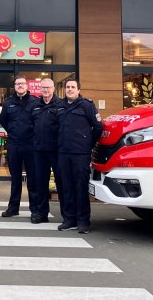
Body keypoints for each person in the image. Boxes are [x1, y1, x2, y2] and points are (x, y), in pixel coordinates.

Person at [57, 79, 102, 234]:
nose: (70, 89)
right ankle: (69, 219)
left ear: (78, 90)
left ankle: (83, 221)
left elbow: (98, 127)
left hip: (80, 154)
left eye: (73, 87)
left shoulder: (86, 105)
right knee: (67, 187)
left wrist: (88, 144)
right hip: (63, 153)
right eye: (67, 87)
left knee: (80, 187)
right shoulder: (60, 106)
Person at [0, 75, 38, 218]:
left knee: (32, 179)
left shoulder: (35, 102)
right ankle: (13, 208)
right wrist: (13, 131)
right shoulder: (8, 103)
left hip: (30, 145)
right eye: (17, 84)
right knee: (15, 179)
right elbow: (3, 120)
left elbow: (38, 121)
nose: (20, 86)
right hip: (14, 144)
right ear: (14, 86)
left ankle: (35, 210)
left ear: (27, 85)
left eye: (22, 83)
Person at [31, 77, 63, 224]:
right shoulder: (35, 106)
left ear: (53, 89)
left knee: (61, 182)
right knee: (40, 183)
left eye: (48, 87)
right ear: (40, 89)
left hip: (56, 151)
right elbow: (30, 126)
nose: (46, 90)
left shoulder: (61, 105)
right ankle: (40, 214)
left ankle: (67, 216)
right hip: (39, 151)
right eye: (43, 87)